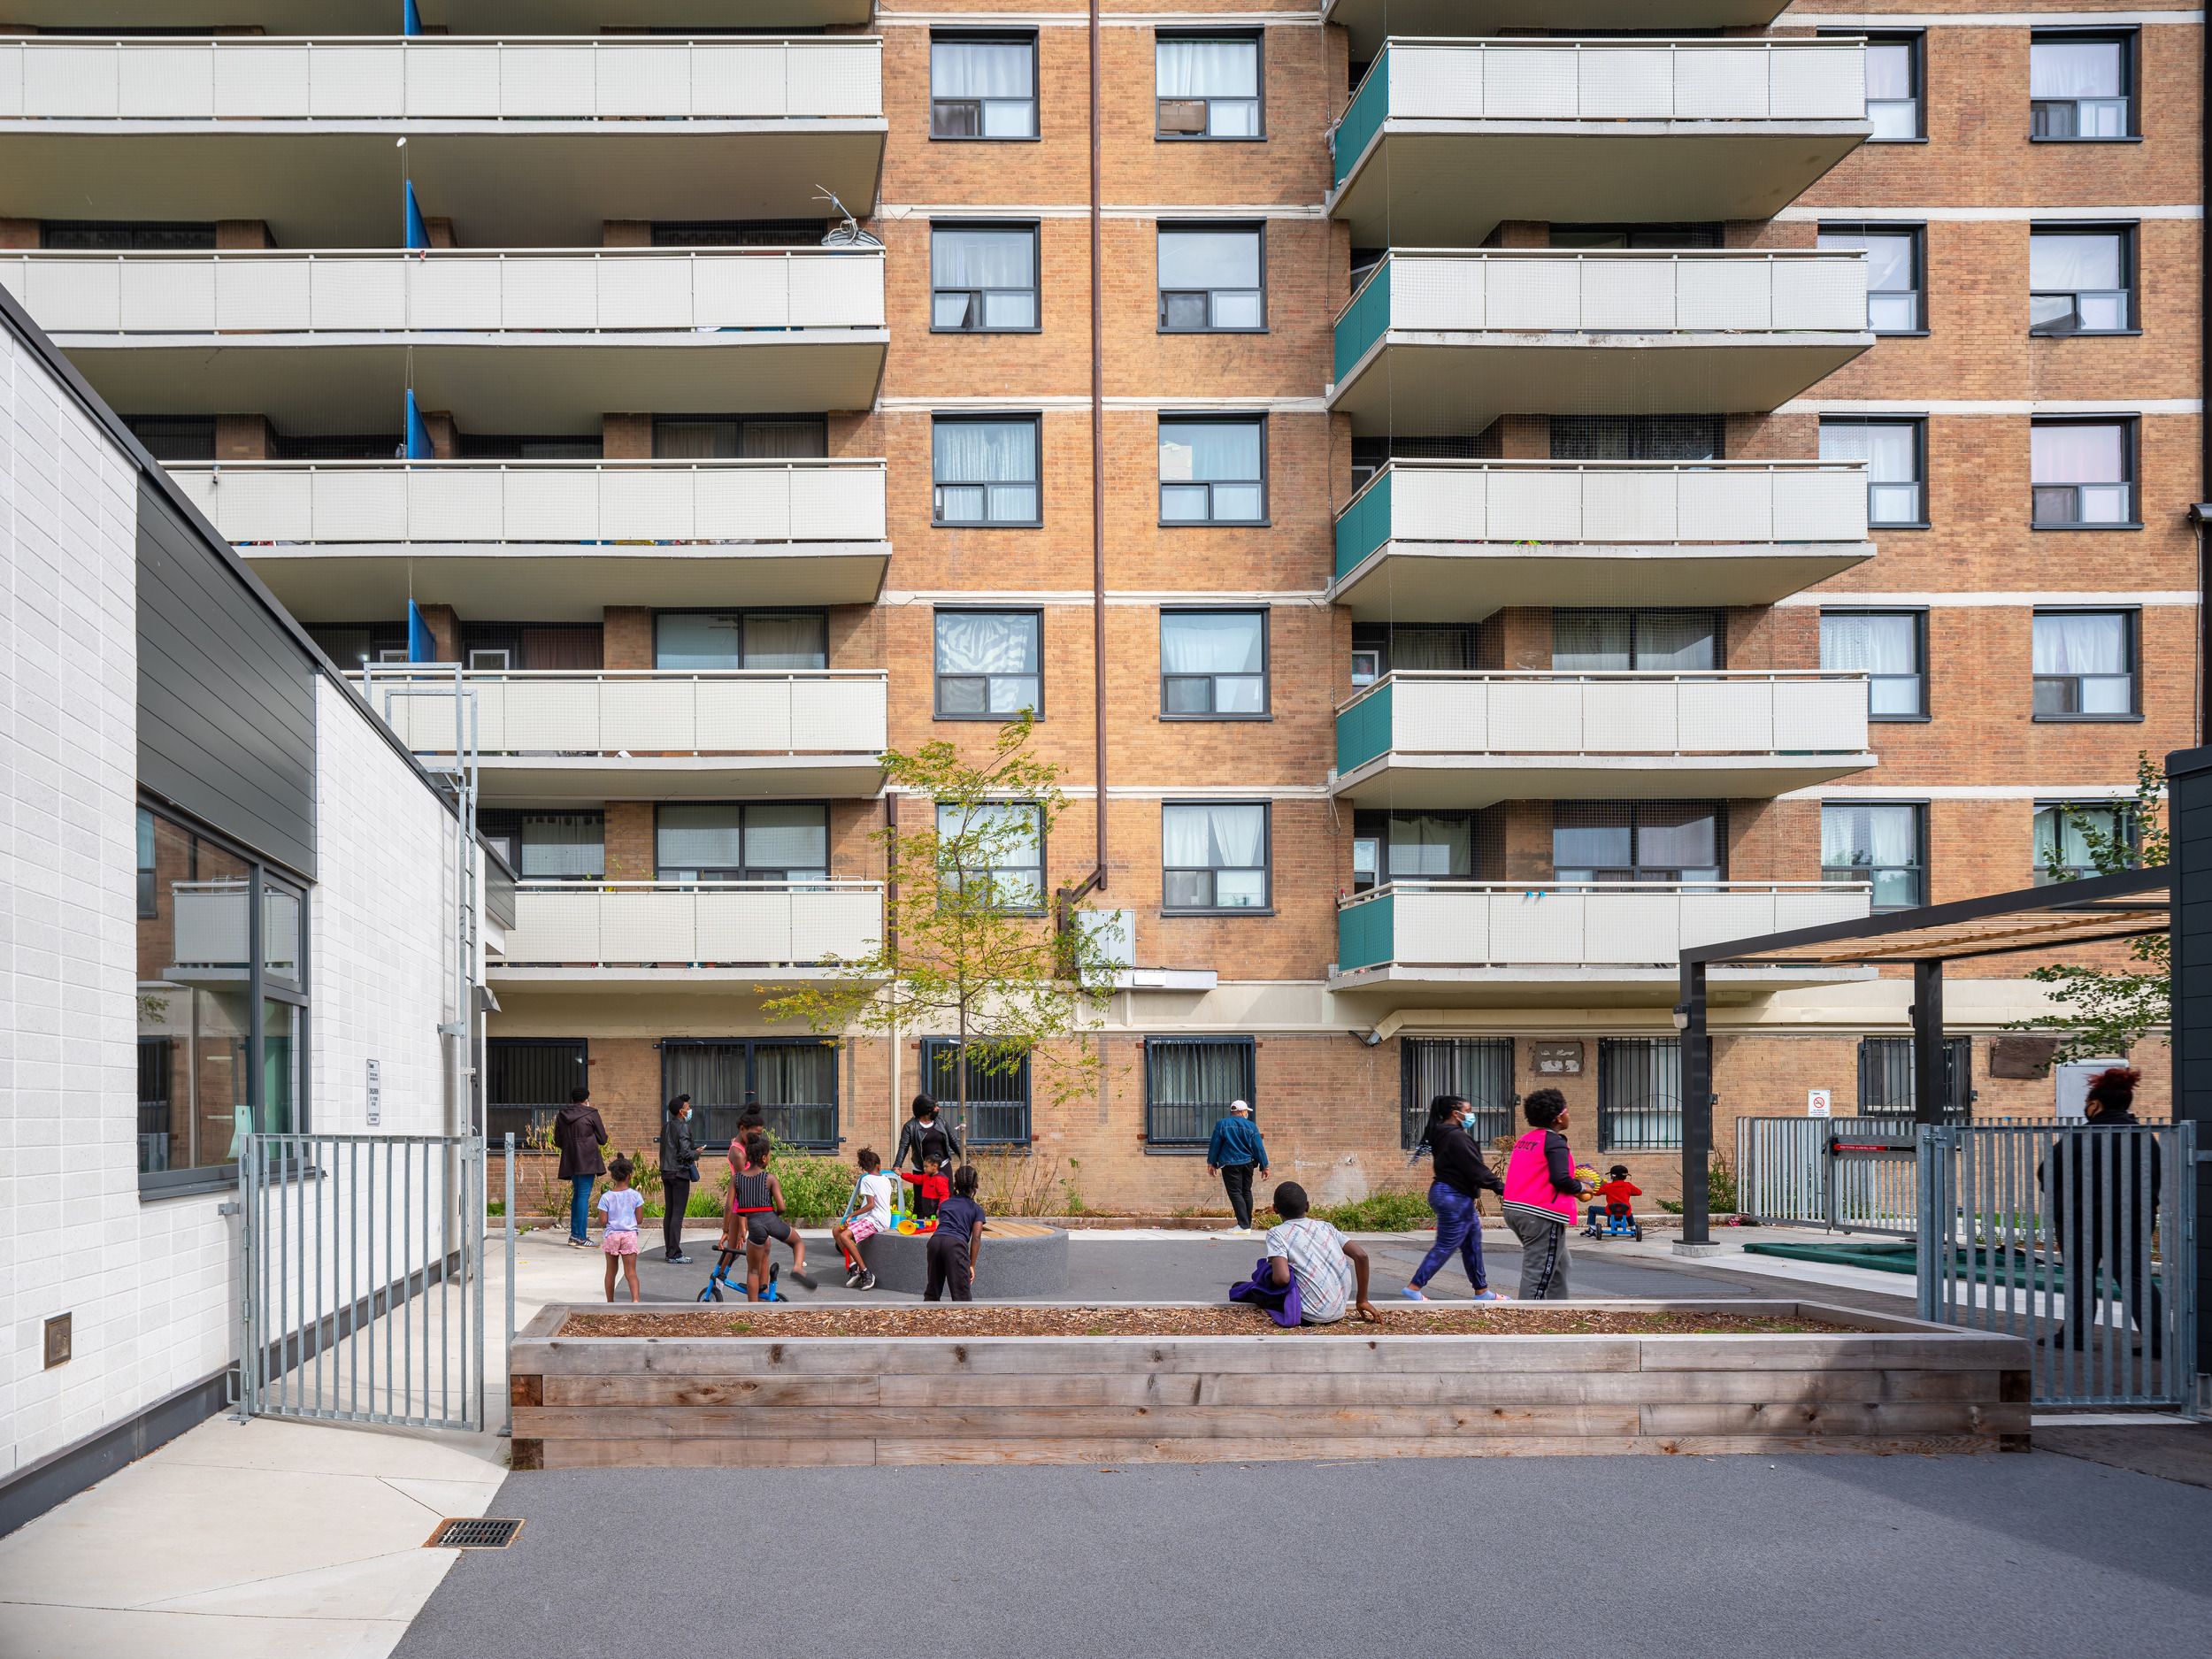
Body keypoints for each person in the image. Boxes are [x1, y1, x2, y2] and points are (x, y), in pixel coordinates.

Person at [2042, 1065, 2163, 1354]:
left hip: (2080, 1219)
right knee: (2134, 1277)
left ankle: (2075, 1335)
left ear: (2095, 1105)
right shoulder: (2144, 1138)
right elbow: (2153, 1179)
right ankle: (2158, 1340)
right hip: (2131, 1218)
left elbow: (2048, 1174)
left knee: (2080, 1277)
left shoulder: (2079, 1138)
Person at [1403, 1095, 1506, 1302]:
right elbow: (1475, 1169)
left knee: (1472, 1243)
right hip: (1453, 1197)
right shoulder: (1456, 1137)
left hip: (1454, 1195)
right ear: (1455, 1113)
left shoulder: (1443, 1133)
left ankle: (1482, 1291)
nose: (1471, 1114)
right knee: (1446, 1244)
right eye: (1468, 1110)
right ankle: (1414, 1287)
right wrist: (1501, 1187)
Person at [1502, 1088, 1592, 1301]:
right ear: (1559, 1117)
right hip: (1540, 1214)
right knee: (1538, 1272)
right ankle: (1530, 1318)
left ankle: (1558, 1310)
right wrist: (1582, 1187)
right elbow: (1560, 1179)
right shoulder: (1555, 1142)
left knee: (1560, 1264)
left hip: (1515, 1209)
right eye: (1567, 1110)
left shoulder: (1527, 1139)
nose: (1569, 1115)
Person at [1263, 1181, 1379, 1325]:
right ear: (1307, 1206)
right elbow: (1361, 1256)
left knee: (1265, 1270)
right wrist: (1362, 1300)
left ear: (1275, 1209)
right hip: (1339, 1312)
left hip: (1309, 1316)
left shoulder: (1276, 1233)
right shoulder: (1326, 1227)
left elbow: (1283, 1279)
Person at [737, 1132, 817, 1301]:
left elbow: (731, 1206)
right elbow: (782, 1206)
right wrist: (774, 1217)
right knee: (797, 1242)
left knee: (753, 1270)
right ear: (764, 1158)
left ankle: (752, 1311)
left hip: (754, 1224)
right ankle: (797, 1268)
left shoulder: (737, 1179)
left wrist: (727, 1230)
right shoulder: (770, 1178)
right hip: (771, 1219)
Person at [551, 1085, 608, 1248]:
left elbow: (558, 1141)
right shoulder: (591, 1113)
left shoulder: (562, 1115)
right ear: (586, 1100)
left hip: (571, 1159)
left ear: (572, 1100)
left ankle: (575, 1235)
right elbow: (602, 1139)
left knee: (577, 1195)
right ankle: (581, 1238)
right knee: (583, 1195)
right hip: (587, 1159)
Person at [833, 1148, 894, 1291]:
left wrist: (851, 1215)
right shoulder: (886, 1180)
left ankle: (866, 1272)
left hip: (876, 1220)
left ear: (865, 1168)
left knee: (844, 1236)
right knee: (836, 1231)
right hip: (880, 1218)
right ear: (878, 1166)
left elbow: (871, 1204)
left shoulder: (866, 1179)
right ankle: (854, 1267)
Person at [1204, 1098, 1269, 1233]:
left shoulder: (1222, 1124)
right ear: (1243, 1111)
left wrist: (1212, 1163)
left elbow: (1215, 1145)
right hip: (1248, 1163)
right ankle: (1247, 1224)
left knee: (1235, 1193)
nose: (1247, 1113)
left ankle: (1243, 1226)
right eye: (1246, 1111)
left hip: (1230, 1164)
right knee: (1246, 1191)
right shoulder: (1251, 1126)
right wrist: (1264, 1166)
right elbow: (1258, 1147)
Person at [926, 1164, 987, 1302]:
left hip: (935, 1242)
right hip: (955, 1245)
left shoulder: (946, 1204)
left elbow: (944, 1225)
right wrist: (971, 1265)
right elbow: (976, 1238)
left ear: (956, 1183)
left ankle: (927, 1321)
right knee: (962, 1296)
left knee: (932, 1293)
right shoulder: (976, 1209)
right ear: (975, 1184)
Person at [658, 1094, 700, 1264]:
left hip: (666, 1171)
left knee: (669, 1212)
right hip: (679, 1173)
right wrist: (696, 1153)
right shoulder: (682, 1127)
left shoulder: (666, 1126)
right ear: (681, 1112)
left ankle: (670, 1251)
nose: (689, 1110)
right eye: (687, 1108)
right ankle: (675, 1253)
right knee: (677, 1214)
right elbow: (685, 1153)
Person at [597, 1156, 645, 1303]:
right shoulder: (635, 1196)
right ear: (629, 1175)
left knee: (611, 1272)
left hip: (612, 1236)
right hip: (629, 1236)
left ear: (612, 1176)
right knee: (630, 1272)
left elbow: (603, 1221)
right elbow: (639, 1219)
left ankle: (610, 1302)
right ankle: (635, 1301)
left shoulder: (606, 1197)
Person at [895, 1094, 963, 1177]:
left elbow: (952, 1140)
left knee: (946, 1190)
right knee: (923, 1190)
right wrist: (897, 1165)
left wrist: (963, 1157)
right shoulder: (910, 1126)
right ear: (926, 1109)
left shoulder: (941, 1121)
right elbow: (903, 1147)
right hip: (922, 1169)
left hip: (943, 1166)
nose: (938, 1108)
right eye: (935, 1106)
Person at [902, 1154, 951, 1222]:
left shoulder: (940, 1179)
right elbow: (915, 1178)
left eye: (926, 1166)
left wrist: (940, 1209)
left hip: (935, 1213)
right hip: (927, 1211)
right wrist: (902, 1174)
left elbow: (944, 1195)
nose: (924, 1169)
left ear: (934, 1166)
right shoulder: (926, 1177)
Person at [1596, 1165, 1641, 1233]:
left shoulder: (1607, 1186)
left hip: (1611, 1211)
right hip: (1625, 1211)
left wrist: (1600, 1185)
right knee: (1628, 1211)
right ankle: (1633, 1228)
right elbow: (1639, 1192)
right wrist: (1629, 1193)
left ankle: (1592, 1229)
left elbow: (1596, 1193)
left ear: (1613, 1176)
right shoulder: (1628, 1185)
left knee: (1591, 1209)